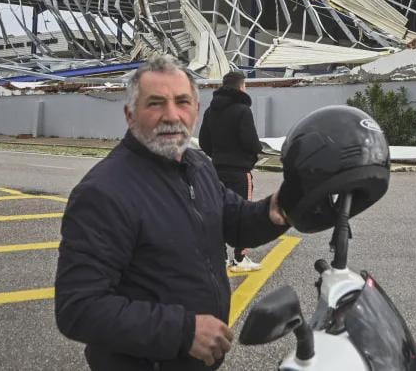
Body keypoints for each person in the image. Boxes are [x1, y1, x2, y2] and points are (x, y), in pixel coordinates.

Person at [55, 54, 289, 370]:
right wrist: (183, 331)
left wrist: (275, 211)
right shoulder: (103, 192)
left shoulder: (198, 167)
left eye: (182, 102)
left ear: (196, 110)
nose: (171, 115)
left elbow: (233, 221)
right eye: (155, 103)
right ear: (129, 114)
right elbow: (79, 307)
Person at [198, 70, 264, 273]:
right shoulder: (243, 110)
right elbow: (251, 141)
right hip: (239, 170)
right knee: (243, 213)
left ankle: (221, 257)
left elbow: (204, 141)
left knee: (218, 211)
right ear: (241, 86)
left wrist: (218, 156)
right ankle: (240, 258)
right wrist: (253, 155)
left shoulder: (211, 111)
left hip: (217, 169)